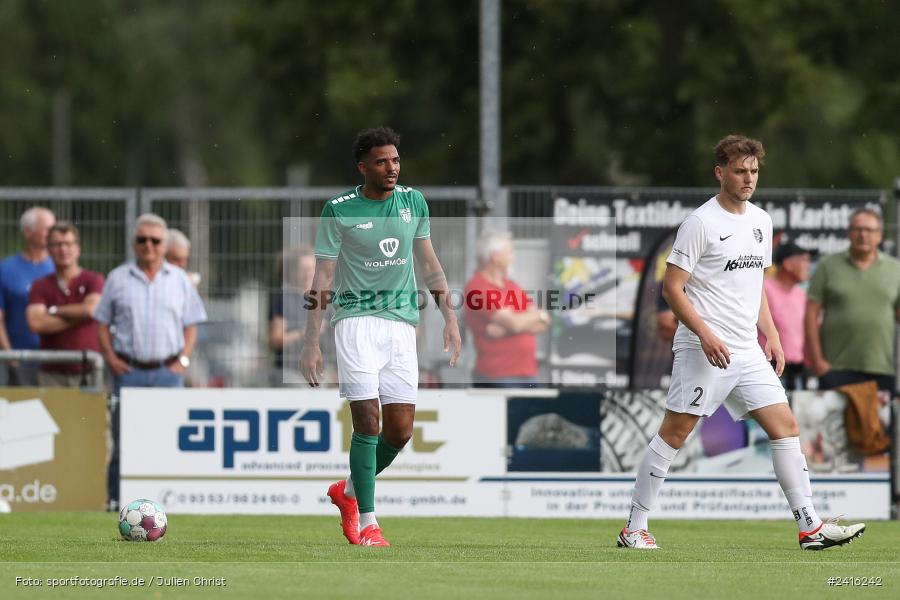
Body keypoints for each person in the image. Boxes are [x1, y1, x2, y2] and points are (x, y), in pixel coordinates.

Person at [617, 135, 865, 551]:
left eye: (753, 171)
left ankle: (810, 527)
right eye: (739, 171)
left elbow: (757, 288)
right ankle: (634, 528)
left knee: (785, 427)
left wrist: (772, 335)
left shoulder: (762, 221)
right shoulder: (701, 223)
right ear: (720, 173)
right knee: (675, 434)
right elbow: (673, 290)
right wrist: (706, 334)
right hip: (703, 349)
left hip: (747, 351)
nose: (748, 178)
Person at [300, 127, 461, 547]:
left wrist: (449, 315)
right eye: (381, 161)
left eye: (395, 160)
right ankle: (369, 523)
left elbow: (429, 264)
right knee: (367, 420)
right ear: (363, 167)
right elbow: (323, 276)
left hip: (402, 324)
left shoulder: (413, 202)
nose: (391, 168)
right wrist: (311, 341)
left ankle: (348, 493)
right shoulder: (339, 209)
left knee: (401, 430)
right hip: (355, 322)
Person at [94, 213, 207, 509]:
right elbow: (102, 323)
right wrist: (110, 357)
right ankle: (115, 500)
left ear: (164, 245)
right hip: (128, 371)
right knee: (123, 442)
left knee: (170, 441)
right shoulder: (117, 278)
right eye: (142, 239)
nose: (148, 245)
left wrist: (183, 360)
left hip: (168, 373)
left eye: (155, 241)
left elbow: (192, 323)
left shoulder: (180, 280)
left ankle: (172, 501)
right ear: (134, 243)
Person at [805, 208, 900, 392]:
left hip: (882, 370)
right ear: (849, 232)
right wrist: (818, 362)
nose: (863, 235)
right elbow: (811, 314)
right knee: (835, 422)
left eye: (869, 230)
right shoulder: (828, 265)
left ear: (879, 236)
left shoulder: (895, 269)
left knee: (878, 422)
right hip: (835, 369)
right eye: (858, 229)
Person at [463, 229, 549, 387]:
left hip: (528, 373)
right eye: (509, 252)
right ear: (495, 256)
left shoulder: (512, 286)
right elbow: (515, 323)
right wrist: (534, 316)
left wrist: (539, 316)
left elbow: (543, 323)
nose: (513, 257)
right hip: (498, 375)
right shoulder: (477, 288)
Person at [25, 222, 105, 387]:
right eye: (57, 244)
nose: (63, 249)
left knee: (89, 414)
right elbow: (35, 323)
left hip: (88, 371)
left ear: (78, 248)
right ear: (49, 249)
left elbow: (91, 310)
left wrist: (52, 310)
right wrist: (79, 315)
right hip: (51, 374)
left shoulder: (94, 279)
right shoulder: (40, 285)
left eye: (68, 243)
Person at [0, 207, 56, 385]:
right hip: (19, 360)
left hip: (58, 362)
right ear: (28, 232)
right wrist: (10, 356)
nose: (52, 234)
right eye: (47, 229)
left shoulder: (59, 267)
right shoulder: (6, 269)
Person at [758, 241, 815, 390]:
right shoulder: (764, 289)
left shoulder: (801, 294)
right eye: (804, 260)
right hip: (769, 370)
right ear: (788, 264)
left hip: (798, 373)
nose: (808, 266)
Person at [268, 245, 317, 382]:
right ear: (293, 272)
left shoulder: (322, 300)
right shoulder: (284, 299)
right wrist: (303, 333)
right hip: (290, 373)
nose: (309, 274)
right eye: (304, 270)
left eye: (312, 269)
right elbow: (275, 339)